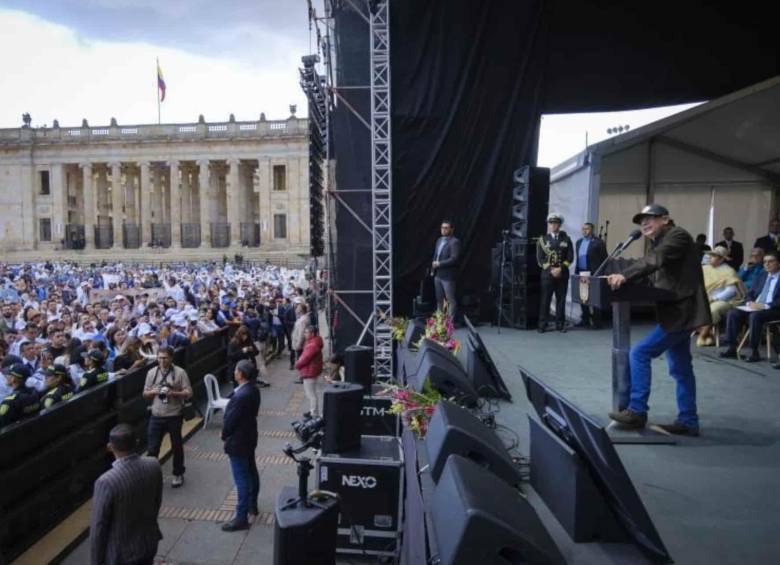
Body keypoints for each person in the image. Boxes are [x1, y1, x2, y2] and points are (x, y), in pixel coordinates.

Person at [606, 204, 710, 436]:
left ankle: (637, 411)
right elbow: (658, 276)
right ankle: (689, 421)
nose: (643, 223)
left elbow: (655, 260)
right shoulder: (660, 242)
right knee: (681, 369)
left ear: (665, 219)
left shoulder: (677, 236)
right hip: (675, 312)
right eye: (641, 220)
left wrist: (625, 275)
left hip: (683, 313)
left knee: (640, 353)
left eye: (649, 218)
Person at [90, 424, 163, 565]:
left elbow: (98, 528)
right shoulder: (153, 465)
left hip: (121, 555)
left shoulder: (106, 482)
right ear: (136, 442)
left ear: (110, 447)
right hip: (149, 543)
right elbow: (156, 503)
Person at [220, 359, 261, 532]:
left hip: (238, 442)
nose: (234, 372)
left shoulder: (240, 396)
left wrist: (224, 434)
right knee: (251, 471)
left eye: (236, 370)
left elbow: (230, 421)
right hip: (249, 437)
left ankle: (241, 517)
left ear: (241, 374)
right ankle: (253, 504)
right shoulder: (253, 390)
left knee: (241, 478)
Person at [143, 346, 192, 488]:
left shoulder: (180, 372)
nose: (162, 361)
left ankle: (178, 473)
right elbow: (145, 394)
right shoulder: (152, 373)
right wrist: (153, 391)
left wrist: (174, 393)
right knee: (152, 449)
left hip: (174, 415)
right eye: (159, 358)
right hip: (156, 414)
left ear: (171, 358)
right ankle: (152, 476)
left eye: (165, 358)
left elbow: (189, 392)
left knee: (176, 446)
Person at [720, 251, 780, 362]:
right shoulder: (762, 275)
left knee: (755, 316)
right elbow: (750, 293)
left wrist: (765, 305)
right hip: (755, 307)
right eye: (765, 262)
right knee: (733, 312)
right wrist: (749, 303)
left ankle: (754, 351)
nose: (767, 264)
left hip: (773, 309)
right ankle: (731, 347)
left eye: (771, 261)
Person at [697, 246, 746, 346]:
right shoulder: (705, 268)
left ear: (721, 259)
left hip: (725, 300)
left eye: (714, 256)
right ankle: (709, 336)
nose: (710, 257)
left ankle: (702, 336)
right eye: (710, 255)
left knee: (712, 310)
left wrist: (714, 298)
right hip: (706, 298)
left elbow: (731, 291)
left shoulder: (728, 271)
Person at [536, 213, 574, 333]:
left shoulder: (566, 239)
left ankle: (560, 324)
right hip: (548, 274)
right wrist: (552, 270)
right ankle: (542, 325)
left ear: (560, 225)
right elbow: (540, 259)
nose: (553, 225)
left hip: (562, 274)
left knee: (561, 300)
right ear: (549, 224)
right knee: (545, 300)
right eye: (551, 223)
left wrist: (560, 268)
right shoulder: (543, 240)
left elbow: (570, 257)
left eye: (556, 223)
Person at [574, 222, 608, 329]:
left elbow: (605, 259)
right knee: (583, 296)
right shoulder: (579, 242)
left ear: (592, 230)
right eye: (583, 229)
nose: (584, 231)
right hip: (582, 272)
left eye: (587, 229)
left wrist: (600, 272)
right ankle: (585, 319)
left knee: (594, 297)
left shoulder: (599, 242)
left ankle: (597, 321)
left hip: (594, 272)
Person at [431, 219, 461, 322]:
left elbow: (454, 258)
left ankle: (449, 323)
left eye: (446, 228)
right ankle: (439, 322)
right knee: (439, 300)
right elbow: (436, 255)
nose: (443, 230)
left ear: (451, 229)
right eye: (442, 228)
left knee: (450, 300)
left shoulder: (454, 242)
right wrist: (433, 266)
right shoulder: (439, 240)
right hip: (438, 275)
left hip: (448, 276)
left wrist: (440, 263)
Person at [295, 326, 324, 417]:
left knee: (311, 394)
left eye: (306, 332)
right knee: (311, 393)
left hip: (309, 371)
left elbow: (305, 358)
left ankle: (314, 414)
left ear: (312, 334)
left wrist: (297, 364)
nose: (304, 334)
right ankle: (312, 410)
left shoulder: (312, 345)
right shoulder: (314, 342)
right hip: (312, 370)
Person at [0, 364, 40, 428]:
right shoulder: (34, 393)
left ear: (13, 379)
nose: (6, 377)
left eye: (8, 375)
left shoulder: (9, 402)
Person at [291, 303, 310, 382]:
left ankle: (302, 376)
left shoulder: (303, 319)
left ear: (301, 310)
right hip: (300, 343)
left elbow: (301, 333)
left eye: (298, 307)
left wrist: (298, 344)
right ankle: (302, 375)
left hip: (301, 344)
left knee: (301, 360)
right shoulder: (302, 318)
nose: (296, 308)